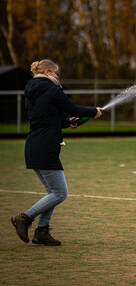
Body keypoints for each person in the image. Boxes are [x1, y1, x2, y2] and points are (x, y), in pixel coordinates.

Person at [11, 59, 103, 246]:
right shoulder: (52, 89)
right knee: (60, 193)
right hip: (45, 148)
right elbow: (74, 108)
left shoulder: (33, 91)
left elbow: (48, 119)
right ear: (47, 71)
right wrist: (94, 111)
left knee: (52, 192)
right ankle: (24, 218)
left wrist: (69, 122)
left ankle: (41, 232)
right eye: (56, 73)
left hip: (35, 146)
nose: (57, 76)